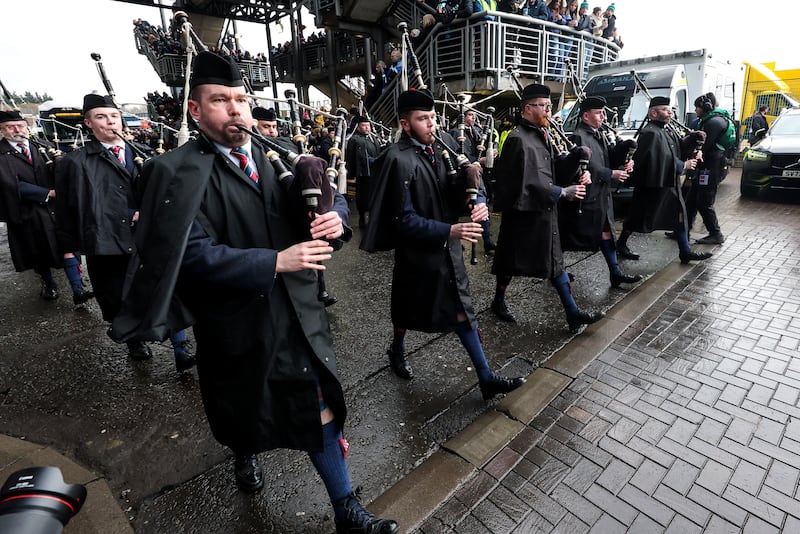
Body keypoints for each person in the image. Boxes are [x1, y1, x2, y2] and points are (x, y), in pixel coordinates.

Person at [109, 51, 397, 534]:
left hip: (296, 313)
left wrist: (337, 218)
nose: (236, 109)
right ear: (195, 111)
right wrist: (275, 261)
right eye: (220, 100)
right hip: (234, 321)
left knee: (316, 404)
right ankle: (245, 452)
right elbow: (188, 254)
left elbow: (332, 195)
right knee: (242, 406)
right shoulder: (172, 170)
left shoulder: (277, 151)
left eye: (240, 99)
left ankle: (346, 507)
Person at [361, 88, 526, 400]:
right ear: (405, 124)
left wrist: (476, 201)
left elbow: (462, 182)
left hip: (447, 252)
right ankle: (397, 349)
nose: (431, 125)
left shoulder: (443, 147)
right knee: (406, 311)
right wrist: (451, 230)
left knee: (463, 312)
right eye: (423, 119)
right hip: (417, 258)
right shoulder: (397, 160)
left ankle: (486, 378)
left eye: (433, 118)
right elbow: (403, 221)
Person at [54, 94, 194, 371]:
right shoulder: (75, 162)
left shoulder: (144, 153)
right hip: (108, 243)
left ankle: (181, 350)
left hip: (150, 238)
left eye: (113, 116)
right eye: (101, 117)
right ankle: (134, 341)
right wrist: (70, 246)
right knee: (121, 297)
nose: (109, 122)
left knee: (168, 292)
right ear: (88, 123)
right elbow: (71, 207)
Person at [490, 83, 604, 332]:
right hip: (523, 215)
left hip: (545, 211)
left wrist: (575, 162)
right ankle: (498, 300)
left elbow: (554, 169)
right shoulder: (518, 139)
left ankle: (572, 314)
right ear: (527, 109)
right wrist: (562, 192)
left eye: (550, 107)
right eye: (543, 107)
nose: (548, 112)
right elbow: (523, 182)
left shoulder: (544, 134)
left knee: (555, 262)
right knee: (510, 261)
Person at [0, 110, 93, 304]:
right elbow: (8, 184)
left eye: (21, 126)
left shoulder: (43, 145)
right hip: (26, 210)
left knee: (68, 244)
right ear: (2, 130)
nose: (17, 130)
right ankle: (49, 283)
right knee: (38, 251)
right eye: (11, 127)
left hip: (56, 207)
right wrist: (46, 193)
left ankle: (78, 289)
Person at [615, 96, 712, 265]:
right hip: (653, 185)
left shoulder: (667, 129)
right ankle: (621, 243)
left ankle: (685, 251)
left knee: (679, 217)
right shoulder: (649, 133)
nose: (669, 112)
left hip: (669, 183)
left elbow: (676, 148)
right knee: (638, 216)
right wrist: (684, 165)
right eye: (665, 110)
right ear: (653, 113)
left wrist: (693, 141)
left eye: (670, 109)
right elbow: (658, 158)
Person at [565, 96, 641, 289]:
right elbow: (585, 166)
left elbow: (607, 157)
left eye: (603, 113)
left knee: (606, 233)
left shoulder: (599, 134)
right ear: (585, 116)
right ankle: (557, 271)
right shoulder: (579, 136)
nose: (603, 117)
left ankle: (615, 273)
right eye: (599, 113)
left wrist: (625, 155)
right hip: (587, 196)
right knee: (570, 236)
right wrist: (611, 174)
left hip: (601, 195)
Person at [448, 108, 497, 254]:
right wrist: (478, 160)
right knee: (455, 209)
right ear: (461, 117)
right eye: (470, 115)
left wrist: (492, 149)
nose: (473, 118)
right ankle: (453, 240)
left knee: (481, 206)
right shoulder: (455, 133)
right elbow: (457, 155)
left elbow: (490, 140)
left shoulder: (477, 131)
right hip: (462, 176)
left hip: (477, 175)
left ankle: (487, 242)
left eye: (475, 115)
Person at [687, 92, 727, 245]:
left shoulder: (713, 123)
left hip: (710, 168)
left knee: (704, 202)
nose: (696, 110)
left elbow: (703, 147)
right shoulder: (714, 120)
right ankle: (683, 230)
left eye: (697, 107)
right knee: (690, 200)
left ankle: (716, 234)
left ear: (705, 107)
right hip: (708, 166)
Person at [345, 116, 383, 229]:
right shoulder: (355, 140)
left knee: (374, 196)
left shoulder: (374, 137)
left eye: (368, 125)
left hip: (375, 172)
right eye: (364, 125)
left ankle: (373, 218)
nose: (367, 128)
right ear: (358, 127)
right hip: (363, 174)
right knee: (363, 197)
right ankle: (362, 217)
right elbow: (355, 156)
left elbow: (379, 150)